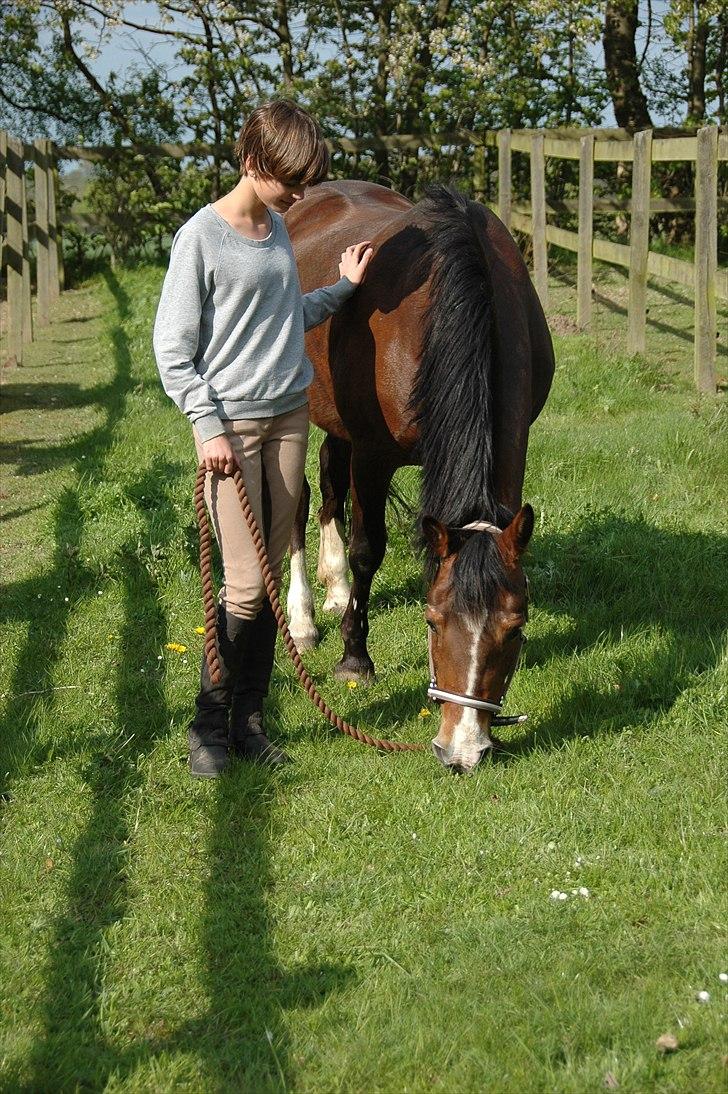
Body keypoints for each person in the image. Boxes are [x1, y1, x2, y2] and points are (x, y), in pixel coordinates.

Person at [153, 99, 372, 777]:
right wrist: (205, 424)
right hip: (233, 430)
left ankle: (249, 725)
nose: (302, 194)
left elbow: (282, 316)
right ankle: (207, 730)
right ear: (253, 163)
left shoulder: (277, 228)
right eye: (291, 181)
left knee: (270, 582)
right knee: (244, 587)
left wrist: (340, 291)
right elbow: (172, 349)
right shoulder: (201, 238)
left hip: (288, 419)